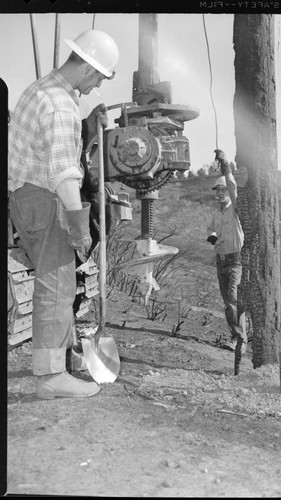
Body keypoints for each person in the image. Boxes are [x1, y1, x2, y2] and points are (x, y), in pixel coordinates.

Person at [8, 29, 119, 399]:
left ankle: (62, 351)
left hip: (28, 197)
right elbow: (64, 175)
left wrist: (89, 123)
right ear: (88, 69)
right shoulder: (58, 106)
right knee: (56, 286)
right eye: (100, 78)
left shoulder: (44, 91)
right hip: (45, 199)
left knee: (60, 281)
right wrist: (78, 228)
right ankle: (51, 377)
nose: (96, 85)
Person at [207, 149, 247, 354]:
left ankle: (240, 340)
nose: (219, 193)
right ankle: (235, 337)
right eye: (217, 190)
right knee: (227, 302)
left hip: (235, 261)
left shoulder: (235, 208)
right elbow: (211, 230)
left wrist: (225, 166)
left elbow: (232, 186)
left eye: (222, 190)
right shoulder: (216, 214)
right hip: (221, 261)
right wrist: (213, 237)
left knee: (233, 299)